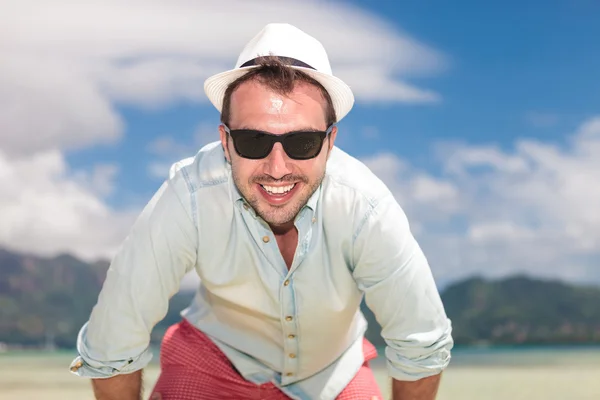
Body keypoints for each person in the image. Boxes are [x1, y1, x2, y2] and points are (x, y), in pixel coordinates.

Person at [69, 23, 453, 400]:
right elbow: (113, 342)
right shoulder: (190, 195)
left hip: (333, 373)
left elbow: (421, 343)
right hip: (210, 360)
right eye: (254, 140)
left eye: (302, 142)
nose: (277, 167)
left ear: (330, 141)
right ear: (225, 140)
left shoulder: (365, 206)